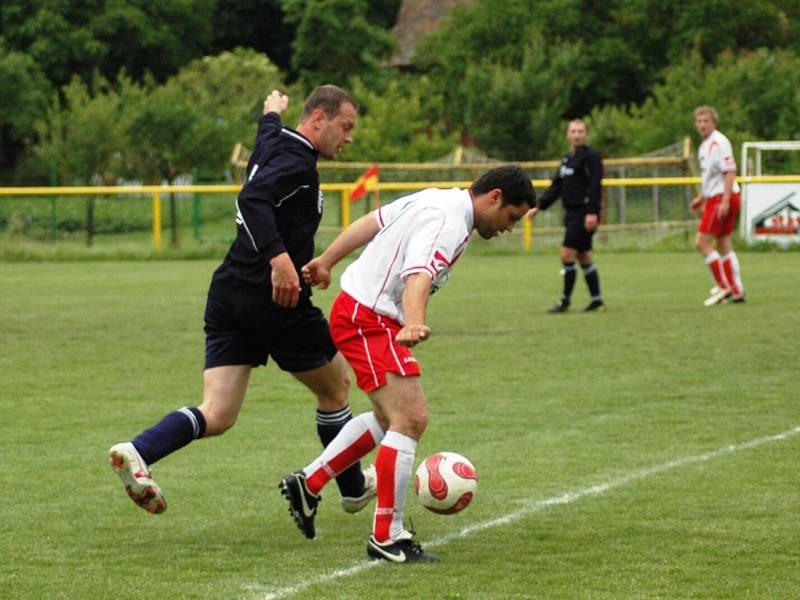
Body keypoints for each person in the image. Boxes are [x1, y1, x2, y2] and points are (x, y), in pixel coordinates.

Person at [108, 85, 377, 517]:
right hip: (274, 298)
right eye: (345, 127)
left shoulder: (275, 141)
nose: (348, 138)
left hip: (229, 291)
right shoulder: (298, 163)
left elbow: (265, 135)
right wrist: (281, 262)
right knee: (336, 388)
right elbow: (252, 199)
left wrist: (271, 111)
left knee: (218, 412)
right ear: (319, 120)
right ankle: (351, 485)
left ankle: (138, 452)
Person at [278, 165, 536, 562]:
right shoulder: (449, 220)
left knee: (388, 418)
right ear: (495, 197)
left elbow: (371, 222)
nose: (509, 228)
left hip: (363, 312)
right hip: (370, 318)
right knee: (411, 418)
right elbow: (418, 274)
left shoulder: (438, 198)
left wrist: (328, 260)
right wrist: (414, 321)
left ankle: (309, 482)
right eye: (511, 218)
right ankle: (388, 536)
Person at [529, 119, 605, 313]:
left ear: (586, 134)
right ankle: (596, 300)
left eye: (580, 131)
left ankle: (565, 301)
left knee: (567, 253)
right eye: (573, 131)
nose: (577, 135)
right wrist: (538, 206)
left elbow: (596, 186)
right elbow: (557, 186)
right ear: (568, 134)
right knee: (584, 256)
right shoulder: (566, 160)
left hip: (584, 213)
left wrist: (592, 212)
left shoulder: (592, 157)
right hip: (571, 213)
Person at [690, 106, 745, 305]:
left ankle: (724, 287)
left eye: (706, 121)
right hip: (716, 196)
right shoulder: (704, 146)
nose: (702, 124)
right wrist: (702, 197)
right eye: (699, 121)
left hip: (723, 196)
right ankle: (736, 289)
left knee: (702, 242)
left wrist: (725, 200)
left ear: (714, 122)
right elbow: (711, 177)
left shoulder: (720, 142)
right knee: (723, 243)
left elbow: (730, 171)